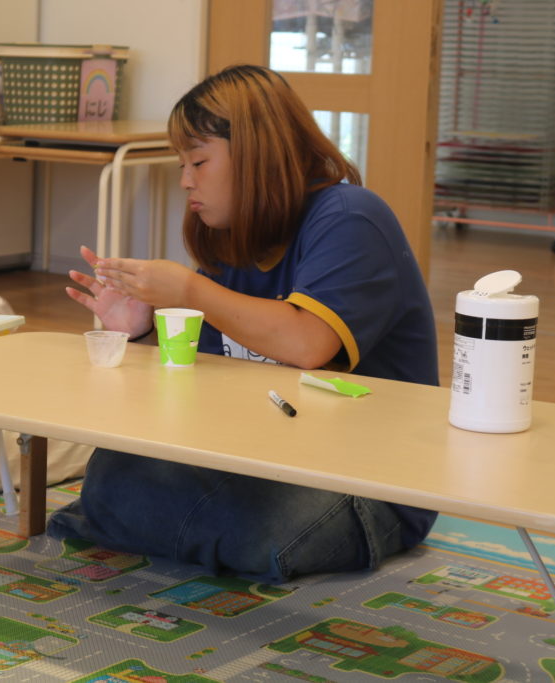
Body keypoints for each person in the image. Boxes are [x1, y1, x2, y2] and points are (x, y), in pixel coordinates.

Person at [47, 65, 440, 584]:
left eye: (198, 161)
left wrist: (189, 290)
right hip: (267, 458)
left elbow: (307, 342)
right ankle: (178, 528)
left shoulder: (351, 217)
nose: (186, 180)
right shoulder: (232, 234)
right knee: (114, 472)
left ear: (258, 154)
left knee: (260, 524)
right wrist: (143, 330)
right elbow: (205, 382)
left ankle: (154, 526)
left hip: (369, 477)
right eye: (182, 164)